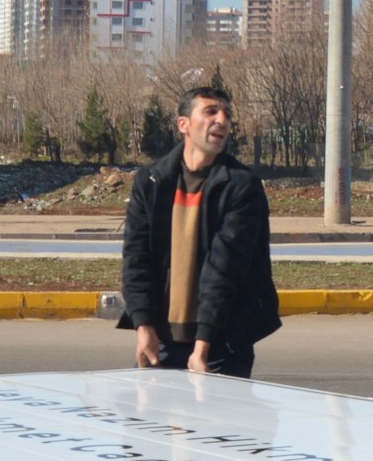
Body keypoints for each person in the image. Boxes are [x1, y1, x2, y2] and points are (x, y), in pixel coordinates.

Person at [117, 81, 280, 379]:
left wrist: (202, 347)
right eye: (211, 111)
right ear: (184, 124)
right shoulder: (151, 181)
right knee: (147, 423)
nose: (222, 120)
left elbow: (225, 269)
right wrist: (144, 327)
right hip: (161, 340)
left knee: (218, 425)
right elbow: (136, 259)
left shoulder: (241, 186)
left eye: (227, 115)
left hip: (222, 343)